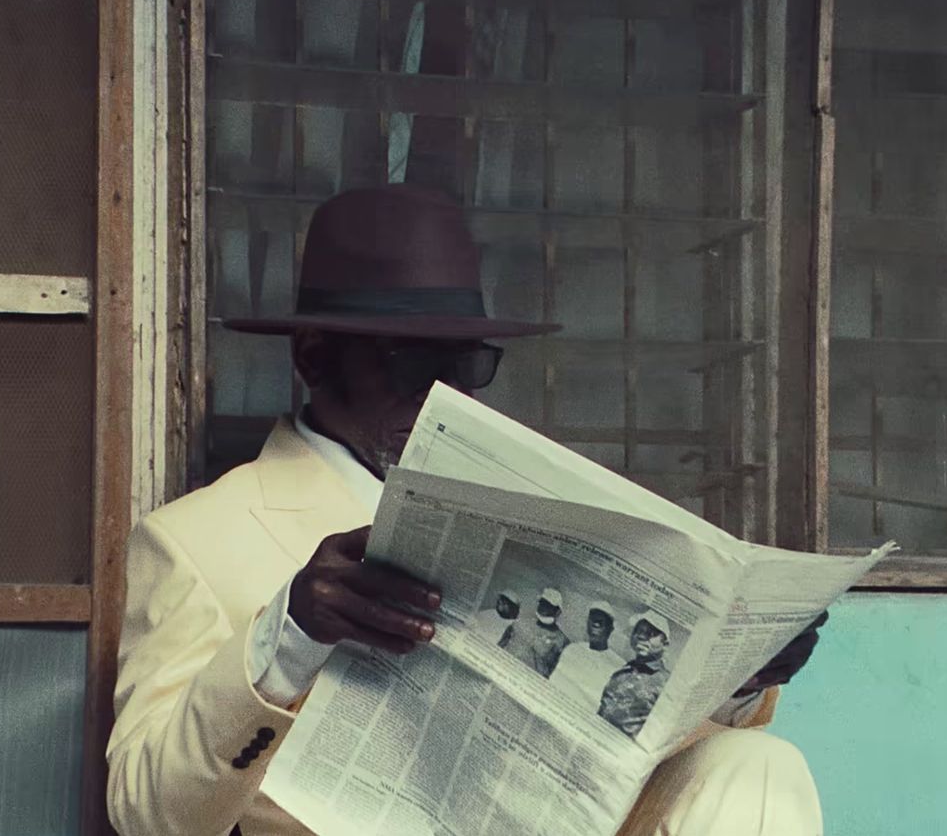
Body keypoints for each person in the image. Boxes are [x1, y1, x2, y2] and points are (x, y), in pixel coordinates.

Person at [105, 185, 827, 836]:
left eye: (466, 365)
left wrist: (736, 679)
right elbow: (146, 814)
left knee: (757, 763)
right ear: (315, 355)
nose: (446, 395)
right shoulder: (193, 540)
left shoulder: (542, 517)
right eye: (411, 362)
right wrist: (288, 637)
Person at [599, 613, 673, 738]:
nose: (641, 636)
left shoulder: (667, 683)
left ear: (665, 644)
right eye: (637, 631)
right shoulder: (621, 672)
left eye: (651, 633)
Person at [550, 601, 627, 713]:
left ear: (610, 629)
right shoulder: (572, 649)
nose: (595, 627)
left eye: (601, 623)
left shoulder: (619, 665)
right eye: (592, 621)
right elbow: (554, 683)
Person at [498, 586, 571, 677]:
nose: (543, 607)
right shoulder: (521, 622)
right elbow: (501, 646)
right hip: (505, 671)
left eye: (548, 605)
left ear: (558, 611)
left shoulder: (562, 640)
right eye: (542, 603)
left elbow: (554, 674)